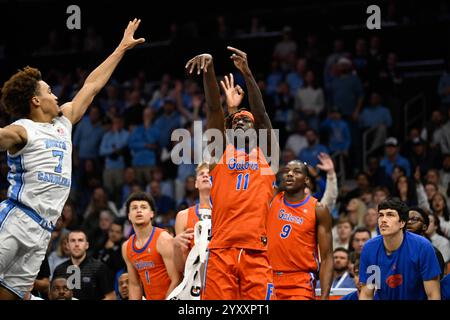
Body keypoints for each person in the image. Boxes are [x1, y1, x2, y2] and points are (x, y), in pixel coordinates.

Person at [0, 18, 144, 300]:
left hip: (43, 230)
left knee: (11, 296)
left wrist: (121, 49)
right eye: (49, 92)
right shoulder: (22, 130)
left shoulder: (63, 121)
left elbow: (91, 86)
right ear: (36, 101)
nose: (56, 95)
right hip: (17, 220)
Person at [185, 46, 278, 300]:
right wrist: (209, 70)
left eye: (245, 121)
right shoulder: (219, 155)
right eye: (236, 122)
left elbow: (261, 114)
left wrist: (247, 73)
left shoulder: (267, 156)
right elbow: (214, 110)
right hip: (221, 249)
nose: (240, 122)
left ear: (256, 129)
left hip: (256, 252)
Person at [267, 160, 333, 300]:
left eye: (296, 171)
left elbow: (327, 257)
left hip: (300, 281)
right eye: (287, 171)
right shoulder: (272, 198)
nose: (290, 174)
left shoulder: (318, 209)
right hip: (268, 277)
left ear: (307, 180)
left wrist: (325, 296)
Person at [359, 198, 441, 300]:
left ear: (402, 223)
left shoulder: (422, 246)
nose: (383, 220)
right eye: (381, 215)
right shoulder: (369, 248)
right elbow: (366, 294)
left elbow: (433, 295)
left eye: (390, 215)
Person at [121, 191, 180, 300]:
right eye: (134, 208)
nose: (138, 210)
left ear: (152, 214)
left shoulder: (163, 239)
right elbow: (134, 285)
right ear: (129, 216)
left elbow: (177, 279)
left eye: (143, 207)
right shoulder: (127, 247)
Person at [53, 230, 116, 300]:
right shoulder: (59, 270)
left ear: (87, 245)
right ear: (68, 245)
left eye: (80, 240)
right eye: (73, 241)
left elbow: (111, 297)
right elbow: (52, 295)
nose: (76, 244)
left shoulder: (99, 268)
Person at [173, 162, 211, 273]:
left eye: (209, 173)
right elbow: (180, 269)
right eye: (201, 173)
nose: (205, 175)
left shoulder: (226, 213)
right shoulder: (182, 216)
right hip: (193, 280)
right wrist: (175, 246)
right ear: (196, 184)